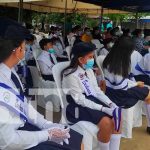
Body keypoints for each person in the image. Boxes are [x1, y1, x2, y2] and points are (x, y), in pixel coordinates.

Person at [0, 17, 83, 150]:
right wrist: (47, 134)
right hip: (14, 141)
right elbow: (8, 141)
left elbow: (24, 104)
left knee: (74, 138)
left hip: (24, 127)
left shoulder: (10, 72)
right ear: (17, 50)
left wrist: (47, 124)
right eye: (24, 45)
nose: (26, 48)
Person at [62, 42, 122, 150]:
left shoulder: (89, 71)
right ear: (80, 59)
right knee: (106, 123)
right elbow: (79, 100)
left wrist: (110, 103)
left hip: (91, 100)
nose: (92, 59)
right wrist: (102, 108)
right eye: (90, 57)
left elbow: (97, 91)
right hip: (77, 106)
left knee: (117, 116)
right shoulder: (70, 75)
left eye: (93, 56)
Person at [102, 36, 150, 134]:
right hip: (118, 95)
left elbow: (128, 77)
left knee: (147, 93)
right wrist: (136, 84)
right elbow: (121, 85)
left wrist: (135, 83)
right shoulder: (117, 63)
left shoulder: (112, 58)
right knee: (148, 95)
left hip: (116, 90)